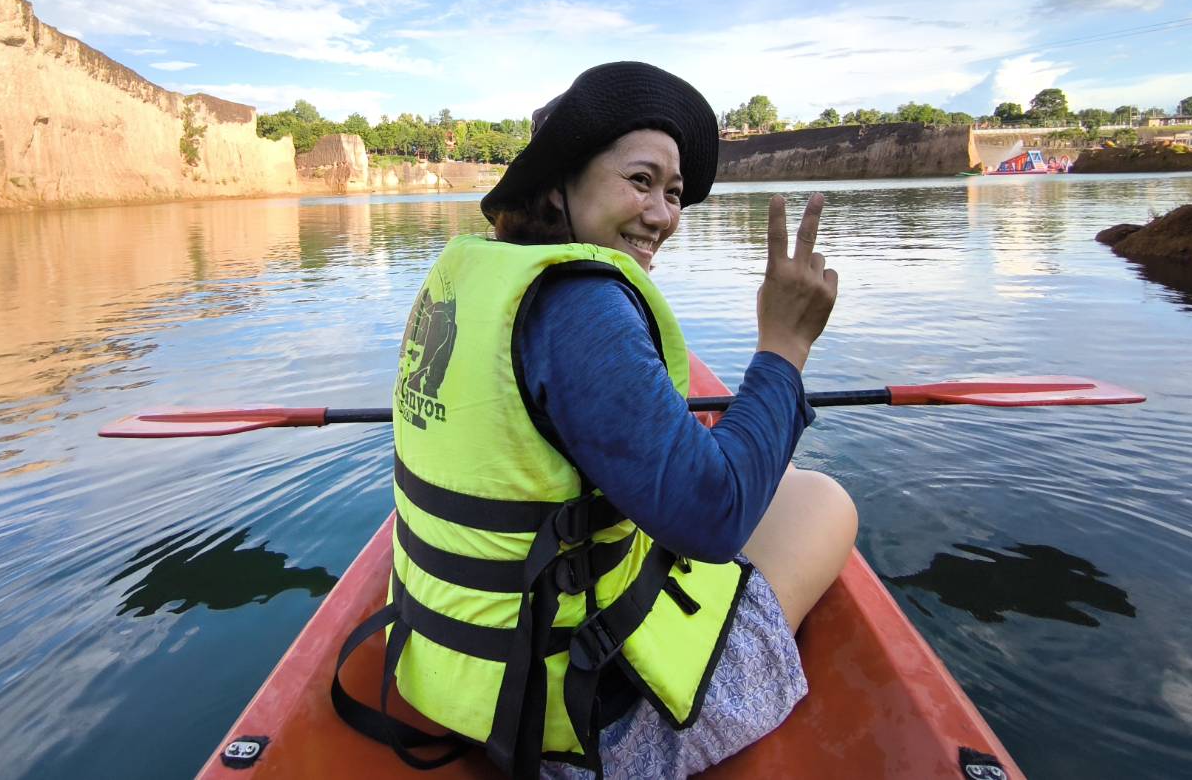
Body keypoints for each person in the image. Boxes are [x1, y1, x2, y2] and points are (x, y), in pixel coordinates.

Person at [333, 62, 857, 779]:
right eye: (640, 181)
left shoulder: (476, 273)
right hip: (582, 731)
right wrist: (784, 348)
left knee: (778, 475)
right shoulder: (582, 304)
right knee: (823, 500)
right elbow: (715, 520)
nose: (663, 215)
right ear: (557, 186)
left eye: (673, 194)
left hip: (455, 682)